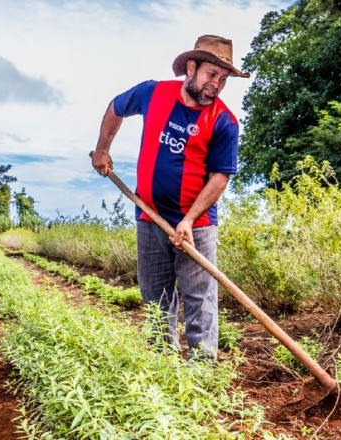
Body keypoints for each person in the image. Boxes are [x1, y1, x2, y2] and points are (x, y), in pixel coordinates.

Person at [92, 35, 248, 361]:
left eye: (222, 79)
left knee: (199, 298)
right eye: (210, 75)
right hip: (149, 216)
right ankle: (163, 365)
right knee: (155, 297)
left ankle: (202, 371)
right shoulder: (154, 93)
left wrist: (189, 220)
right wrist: (103, 148)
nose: (216, 84)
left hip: (197, 225)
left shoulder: (224, 122)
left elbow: (219, 177)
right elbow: (115, 107)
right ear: (191, 68)